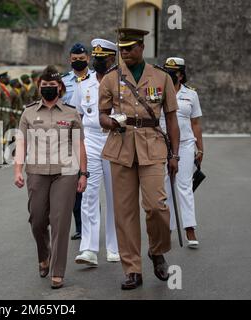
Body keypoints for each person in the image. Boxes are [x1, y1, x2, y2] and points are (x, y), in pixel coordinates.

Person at [99, 28, 181, 290]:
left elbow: (171, 118)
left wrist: (175, 155)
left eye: (129, 48)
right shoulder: (111, 78)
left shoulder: (161, 77)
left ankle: (157, 251)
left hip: (153, 146)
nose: (124, 53)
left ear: (141, 47)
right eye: (121, 48)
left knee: (157, 206)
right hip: (121, 148)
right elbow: (101, 114)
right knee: (125, 213)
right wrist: (110, 122)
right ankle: (132, 269)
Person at [14, 65, 88, 289]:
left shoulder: (71, 112)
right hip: (36, 172)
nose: (47, 89)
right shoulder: (28, 112)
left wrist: (83, 173)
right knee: (37, 221)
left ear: (60, 88)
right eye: (44, 85)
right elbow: (21, 142)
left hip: (66, 173)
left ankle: (57, 271)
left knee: (60, 222)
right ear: (39, 87)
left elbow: (79, 145)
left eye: (52, 86)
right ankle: (43, 255)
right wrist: (18, 169)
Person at [71, 39, 120, 266]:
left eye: (103, 59)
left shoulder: (122, 83)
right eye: (96, 58)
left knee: (114, 196)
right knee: (89, 194)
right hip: (90, 139)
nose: (99, 63)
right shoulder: (83, 84)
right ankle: (88, 249)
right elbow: (78, 116)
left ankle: (114, 247)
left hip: (114, 139)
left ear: (112, 59)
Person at [161, 57, 204, 248]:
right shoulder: (158, 92)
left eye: (174, 72)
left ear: (181, 74)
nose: (171, 75)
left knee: (184, 185)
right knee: (165, 187)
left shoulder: (191, 94)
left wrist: (200, 147)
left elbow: (195, 123)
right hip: (163, 143)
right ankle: (168, 228)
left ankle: (189, 227)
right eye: (167, 71)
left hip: (186, 144)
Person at [63, 43, 92, 241]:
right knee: (75, 185)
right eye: (74, 59)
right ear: (70, 60)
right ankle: (80, 226)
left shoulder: (98, 79)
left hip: (93, 136)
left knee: (92, 184)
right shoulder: (64, 81)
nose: (78, 61)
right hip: (71, 138)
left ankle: (91, 223)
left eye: (81, 58)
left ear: (88, 58)